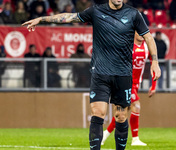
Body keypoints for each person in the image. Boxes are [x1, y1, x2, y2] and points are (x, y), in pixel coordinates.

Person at [22, 0, 161, 149]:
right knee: (98, 113)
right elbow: (70, 17)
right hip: (100, 73)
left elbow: (148, 37)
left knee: (121, 117)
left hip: (123, 74)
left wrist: (155, 62)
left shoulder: (133, 14)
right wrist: (42, 19)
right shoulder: (96, 11)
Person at [101, 32, 157, 146]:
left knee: (124, 111)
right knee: (136, 106)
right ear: (134, 33)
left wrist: (154, 85)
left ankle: (105, 134)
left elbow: (154, 65)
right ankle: (135, 139)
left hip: (136, 83)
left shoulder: (147, 46)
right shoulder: (127, 45)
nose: (141, 34)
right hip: (125, 81)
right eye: (139, 31)